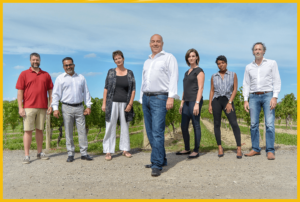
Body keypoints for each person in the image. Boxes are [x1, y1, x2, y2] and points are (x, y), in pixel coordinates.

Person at [140, 34, 179, 177]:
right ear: (149, 43)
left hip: (160, 97)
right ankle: (161, 159)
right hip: (147, 98)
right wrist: (141, 98)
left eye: (158, 41)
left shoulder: (169, 57)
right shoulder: (147, 61)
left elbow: (174, 77)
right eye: (153, 41)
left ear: (162, 43)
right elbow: (144, 80)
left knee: (157, 131)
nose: (155, 44)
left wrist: (171, 97)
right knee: (150, 132)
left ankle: (156, 164)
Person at [50, 57, 93, 162]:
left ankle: (84, 153)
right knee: (68, 132)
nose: (68, 67)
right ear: (63, 67)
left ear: (74, 65)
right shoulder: (60, 78)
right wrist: (55, 108)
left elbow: (86, 93)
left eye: (70, 64)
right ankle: (70, 154)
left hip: (79, 107)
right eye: (66, 65)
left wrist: (88, 106)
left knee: (82, 131)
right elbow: (55, 95)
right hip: (66, 107)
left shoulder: (81, 77)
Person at [243, 42, 281, 160]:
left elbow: (276, 80)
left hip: (268, 95)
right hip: (253, 97)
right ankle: (255, 149)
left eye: (260, 49)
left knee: (269, 124)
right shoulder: (248, 67)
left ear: (264, 51)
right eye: (255, 49)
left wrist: (274, 96)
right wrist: (245, 99)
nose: (258, 51)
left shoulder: (271, 63)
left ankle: (270, 150)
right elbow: (246, 84)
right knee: (253, 124)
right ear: (253, 52)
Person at [16, 52, 53, 164]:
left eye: (37, 59)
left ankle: (39, 152)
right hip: (28, 107)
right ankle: (27, 155)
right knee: (27, 131)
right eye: (33, 60)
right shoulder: (24, 74)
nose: (35, 61)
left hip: (42, 107)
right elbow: (20, 92)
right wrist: (20, 108)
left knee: (40, 130)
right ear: (30, 61)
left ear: (40, 60)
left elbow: (51, 92)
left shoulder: (46, 75)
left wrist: (50, 105)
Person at [101, 50, 136, 161]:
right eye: (116, 59)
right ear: (114, 61)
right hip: (112, 103)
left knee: (125, 126)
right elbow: (106, 88)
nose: (118, 60)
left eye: (119, 58)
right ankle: (108, 151)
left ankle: (125, 149)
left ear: (123, 58)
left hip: (125, 103)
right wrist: (104, 103)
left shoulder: (130, 73)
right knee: (110, 126)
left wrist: (130, 103)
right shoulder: (111, 72)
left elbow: (133, 90)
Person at [208, 55, 242, 159]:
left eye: (222, 63)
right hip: (216, 101)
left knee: (234, 123)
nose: (220, 65)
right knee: (216, 124)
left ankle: (239, 148)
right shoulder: (214, 76)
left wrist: (230, 102)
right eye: (218, 63)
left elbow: (235, 89)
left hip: (228, 100)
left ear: (226, 63)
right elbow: (212, 90)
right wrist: (210, 104)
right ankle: (220, 147)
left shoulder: (233, 74)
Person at [177, 49, 204, 159]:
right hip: (186, 102)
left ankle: (196, 150)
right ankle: (187, 148)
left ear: (197, 57)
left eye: (193, 56)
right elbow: (185, 88)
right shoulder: (186, 72)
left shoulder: (199, 71)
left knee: (196, 125)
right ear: (187, 58)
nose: (191, 58)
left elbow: (201, 88)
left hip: (194, 101)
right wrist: (182, 102)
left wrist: (197, 103)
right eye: (189, 56)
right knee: (183, 126)